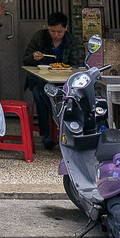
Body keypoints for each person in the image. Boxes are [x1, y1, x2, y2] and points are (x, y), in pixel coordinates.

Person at [23, 12, 81, 150]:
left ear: (66, 28)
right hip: (38, 77)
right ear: (47, 28)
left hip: (61, 80)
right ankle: (49, 131)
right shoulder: (39, 37)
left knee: (45, 94)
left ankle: (52, 132)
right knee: (41, 91)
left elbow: (75, 64)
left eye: (59, 31)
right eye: (52, 31)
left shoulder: (70, 40)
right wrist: (33, 57)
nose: (56, 34)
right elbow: (25, 60)